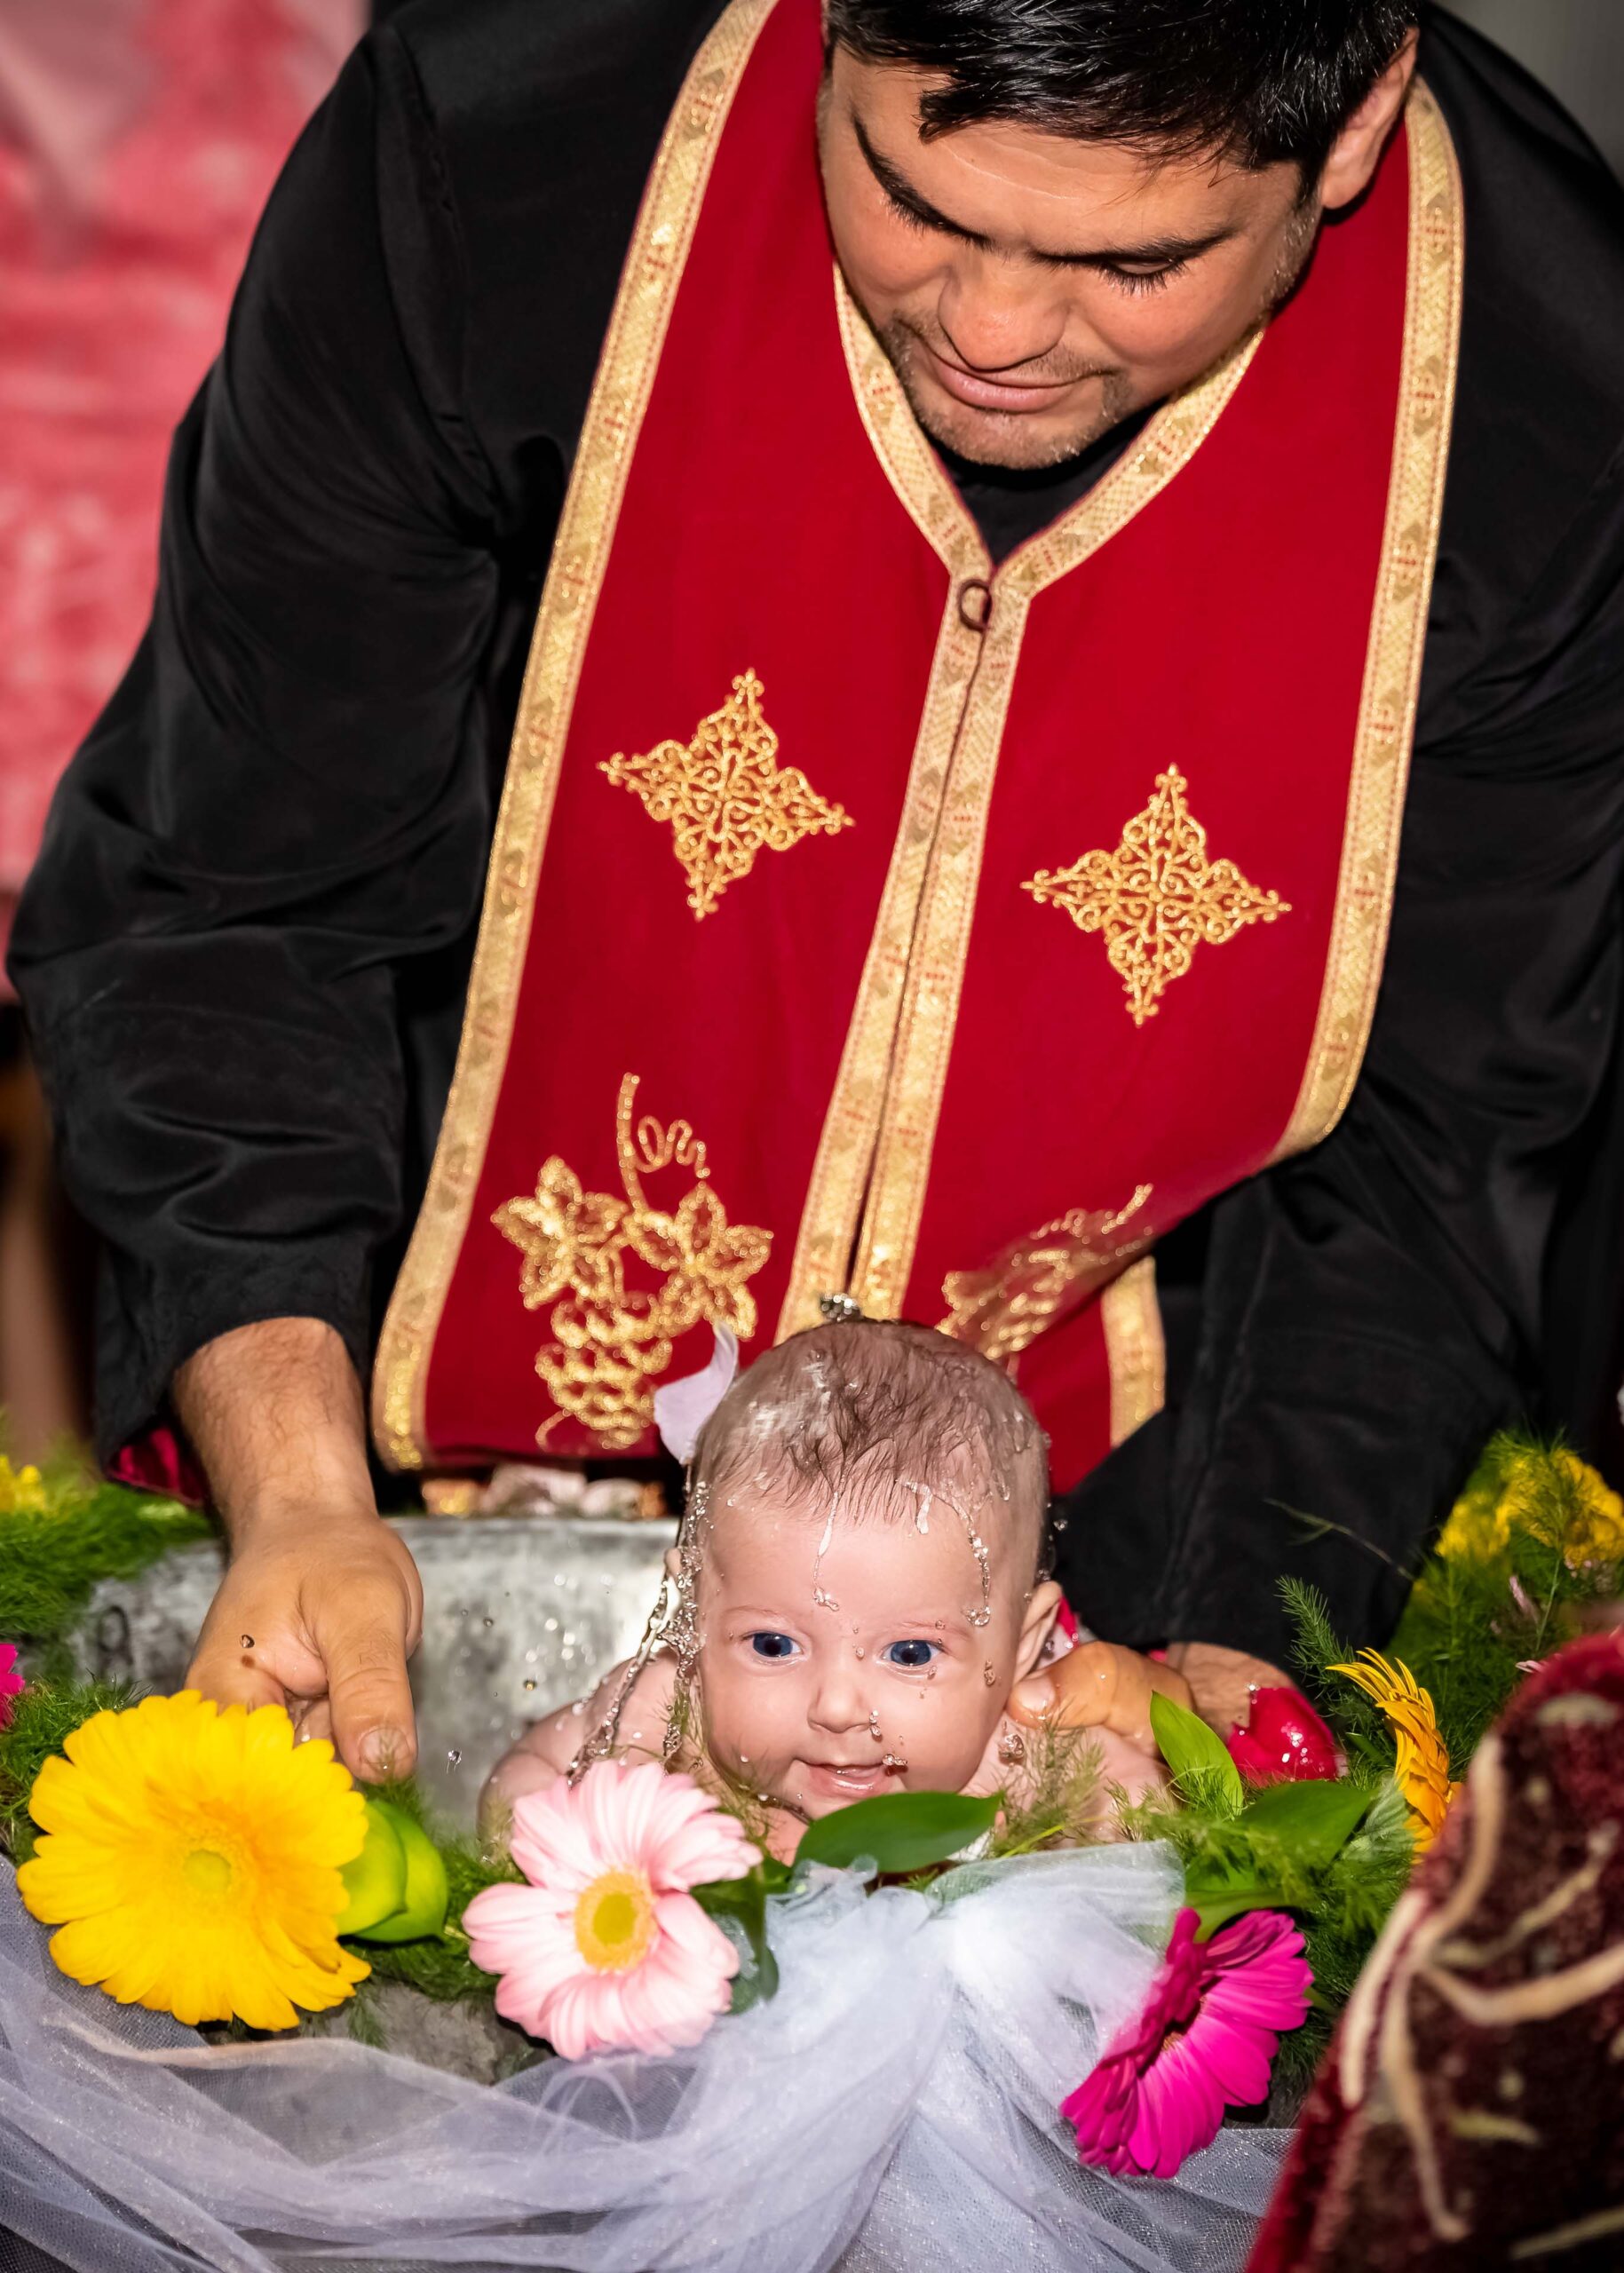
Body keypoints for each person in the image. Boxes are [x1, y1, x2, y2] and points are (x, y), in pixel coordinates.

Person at [12, 0, 1624, 1782]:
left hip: (1127, 1533)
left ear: (1353, 121)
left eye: (1129, 263)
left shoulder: (1547, 379)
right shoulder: (502, 152)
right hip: (398, 1435)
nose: (992, 331)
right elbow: (237, 883)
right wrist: (299, 1491)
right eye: (914, 199)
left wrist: (1227, 1671)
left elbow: (1441, 1134)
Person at [484, 1318, 1182, 1851]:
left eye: (910, 1654)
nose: (838, 1708)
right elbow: (527, 1782)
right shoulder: (668, 1717)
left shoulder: (1017, 1758)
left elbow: (1152, 1829)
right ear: (694, 1612)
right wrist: (580, 1858)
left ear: (1022, 1645)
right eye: (773, 1645)